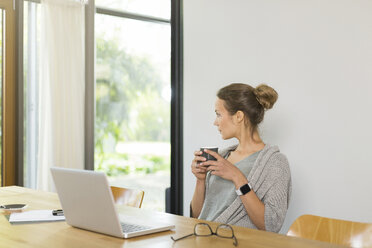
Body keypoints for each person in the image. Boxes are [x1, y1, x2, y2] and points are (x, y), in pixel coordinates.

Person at [190, 83, 291, 233]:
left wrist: (238, 178)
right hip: (202, 238)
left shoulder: (275, 163)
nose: (215, 122)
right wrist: (200, 179)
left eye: (218, 114)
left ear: (238, 116)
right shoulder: (222, 157)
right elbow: (196, 216)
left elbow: (271, 225)